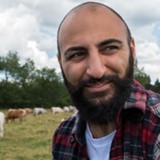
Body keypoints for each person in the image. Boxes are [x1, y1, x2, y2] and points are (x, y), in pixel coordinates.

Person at [52, 1, 160, 160]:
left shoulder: (155, 127)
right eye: (77, 54)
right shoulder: (62, 137)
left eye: (109, 48)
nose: (96, 71)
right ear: (61, 63)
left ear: (132, 50)